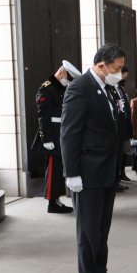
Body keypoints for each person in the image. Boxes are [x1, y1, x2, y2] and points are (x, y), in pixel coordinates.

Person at [61, 43, 128, 273]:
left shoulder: (107, 88)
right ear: (101, 66)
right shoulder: (80, 88)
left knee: (101, 229)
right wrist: (72, 173)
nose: (120, 73)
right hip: (87, 174)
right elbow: (69, 133)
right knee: (88, 231)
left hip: (106, 171)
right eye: (117, 68)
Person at [31, 60, 81, 214]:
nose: (68, 82)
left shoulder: (57, 88)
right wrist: (46, 139)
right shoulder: (47, 88)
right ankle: (52, 203)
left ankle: (56, 200)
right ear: (60, 74)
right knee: (53, 170)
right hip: (51, 137)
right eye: (67, 78)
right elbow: (43, 117)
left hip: (59, 134)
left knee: (58, 170)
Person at [115, 66, 133, 189]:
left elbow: (125, 110)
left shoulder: (119, 90)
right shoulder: (114, 89)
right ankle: (116, 179)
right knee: (117, 156)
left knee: (122, 154)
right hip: (116, 130)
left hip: (122, 127)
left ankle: (120, 176)